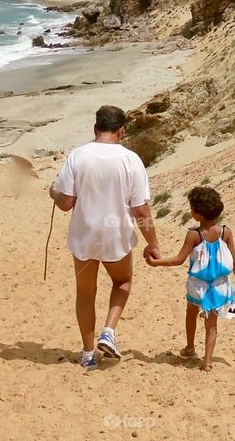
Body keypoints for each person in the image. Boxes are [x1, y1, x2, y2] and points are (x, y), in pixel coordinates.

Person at [49, 105, 161, 370]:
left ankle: (88, 354)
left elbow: (65, 203)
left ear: (95, 128)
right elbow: (141, 209)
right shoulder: (131, 159)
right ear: (121, 131)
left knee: (85, 294)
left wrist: (52, 192)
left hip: (84, 235)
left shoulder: (78, 156)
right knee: (122, 282)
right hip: (116, 236)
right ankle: (109, 331)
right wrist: (152, 243)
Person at [146, 186, 235, 372]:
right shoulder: (226, 232)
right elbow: (234, 258)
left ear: (197, 213)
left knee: (191, 313)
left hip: (197, 286)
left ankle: (190, 347)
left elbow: (178, 260)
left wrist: (157, 262)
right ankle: (207, 362)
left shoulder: (194, 234)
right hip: (220, 285)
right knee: (212, 325)